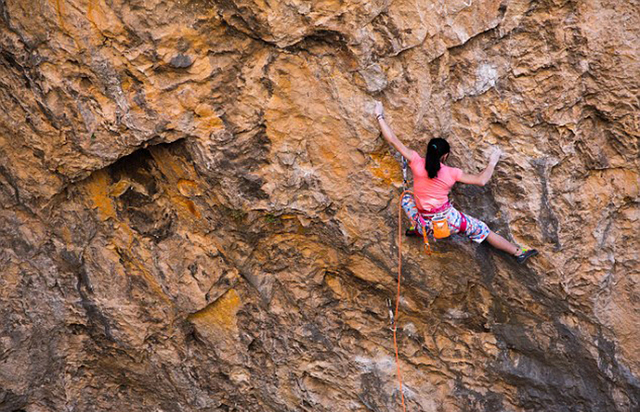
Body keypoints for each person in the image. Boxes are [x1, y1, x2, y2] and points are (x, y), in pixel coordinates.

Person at [373, 101, 538, 264]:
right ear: (445, 156)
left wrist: (379, 115)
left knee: (406, 198)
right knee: (483, 230)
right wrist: (492, 162)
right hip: (446, 221)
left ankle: (419, 228)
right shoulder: (451, 173)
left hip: (423, 219)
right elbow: (481, 180)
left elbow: (393, 140)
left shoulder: (416, 162)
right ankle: (518, 253)